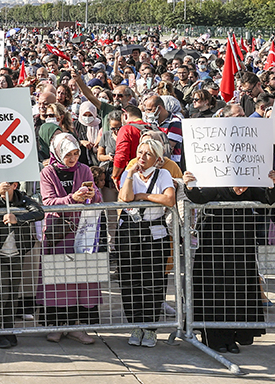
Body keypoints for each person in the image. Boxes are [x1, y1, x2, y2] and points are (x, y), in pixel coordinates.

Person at [183, 169, 275, 354]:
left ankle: (233, 336)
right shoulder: (217, 182)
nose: (240, 188)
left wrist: (272, 183)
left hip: (242, 244)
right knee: (215, 286)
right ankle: (214, 337)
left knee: (238, 286)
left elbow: (267, 198)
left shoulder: (253, 184)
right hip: (214, 245)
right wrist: (189, 185)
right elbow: (199, 198)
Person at [38, 133, 102, 345]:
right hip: (58, 234)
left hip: (82, 232)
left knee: (80, 281)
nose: (73, 158)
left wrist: (92, 195)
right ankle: (58, 325)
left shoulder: (84, 169)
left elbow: (96, 198)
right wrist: (72, 199)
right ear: (57, 153)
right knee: (58, 281)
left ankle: (77, 327)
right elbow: (47, 201)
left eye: (75, 153)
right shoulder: (47, 172)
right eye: (68, 154)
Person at [117, 138, 176, 348]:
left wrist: (145, 196)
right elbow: (125, 197)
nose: (142, 157)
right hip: (130, 232)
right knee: (130, 279)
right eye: (140, 153)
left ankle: (150, 328)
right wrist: (131, 176)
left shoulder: (163, 174)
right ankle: (135, 324)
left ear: (157, 159)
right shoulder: (129, 172)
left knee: (154, 280)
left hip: (154, 233)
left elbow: (169, 199)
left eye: (147, 154)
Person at [0, 181, 44, 349]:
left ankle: (8, 330)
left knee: (13, 294)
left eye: (9, 184)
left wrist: (18, 219)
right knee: (1, 294)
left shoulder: (23, 198)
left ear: (16, 185)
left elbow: (39, 212)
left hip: (16, 255)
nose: (4, 186)